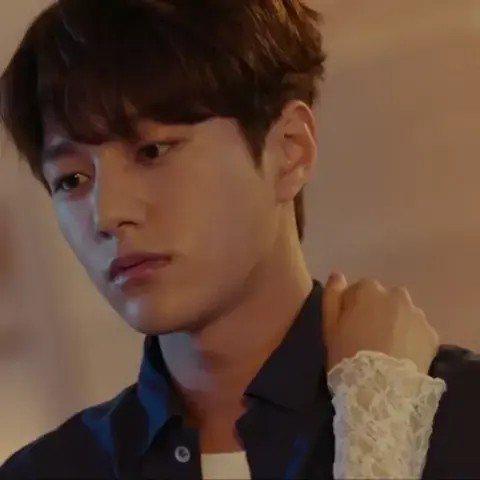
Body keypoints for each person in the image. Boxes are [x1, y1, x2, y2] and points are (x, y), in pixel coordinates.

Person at [0, 0, 479, 478]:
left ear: (290, 149)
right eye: (72, 180)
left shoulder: (461, 421)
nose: (107, 214)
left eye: (152, 151)